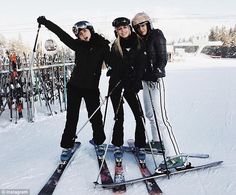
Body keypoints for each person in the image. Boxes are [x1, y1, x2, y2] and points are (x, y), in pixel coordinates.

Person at [37, 16, 110, 161]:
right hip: (75, 87)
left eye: (84, 31)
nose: (82, 35)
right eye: (79, 34)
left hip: (91, 88)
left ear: (90, 30)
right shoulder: (77, 45)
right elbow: (61, 34)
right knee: (71, 117)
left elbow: (110, 62)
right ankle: (67, 145)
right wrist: (46, 22)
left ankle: (99, 142)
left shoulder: (103, 46)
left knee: (95, 117)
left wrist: (114, 69)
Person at [132, 12, 178, 157]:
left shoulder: (156, 35)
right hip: (146, 81)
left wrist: (157, 72)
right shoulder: (140, 41)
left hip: (156, 81)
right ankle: (157, 142)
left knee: (161, 119)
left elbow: (162, 58)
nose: (141, 29)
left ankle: (175, 155)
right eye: (137, 27)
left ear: (148, 24)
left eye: (143, 25)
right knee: (150, 114)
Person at [108, 17, 147, 161]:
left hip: (131, 84)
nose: (123, 31)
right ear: (116, 31)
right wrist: (113, 71)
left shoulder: (139, 43)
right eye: (119, 29)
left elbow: (141, 65)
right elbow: (114, 65)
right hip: (117, 85)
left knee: (139, 115)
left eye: (125, 27)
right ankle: (117, 145)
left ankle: (140, 144)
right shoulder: (115, 46)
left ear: (129, 28)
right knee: (119, 117)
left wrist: (136, 82)